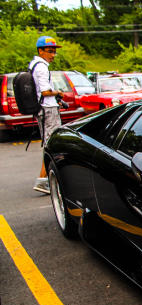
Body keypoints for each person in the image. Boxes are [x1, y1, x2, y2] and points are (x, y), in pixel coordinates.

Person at [31, 36, 64, 195]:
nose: (52, 55)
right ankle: (43, 180)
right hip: (47, 109)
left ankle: (45, 179)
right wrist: (58, 92)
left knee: (50, 142)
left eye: (54, 52)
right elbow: (44, 91)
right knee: (50, 143)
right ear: (40, 50)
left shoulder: (36, 65)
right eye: (50, 51)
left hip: (45, 108)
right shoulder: (41, 67)